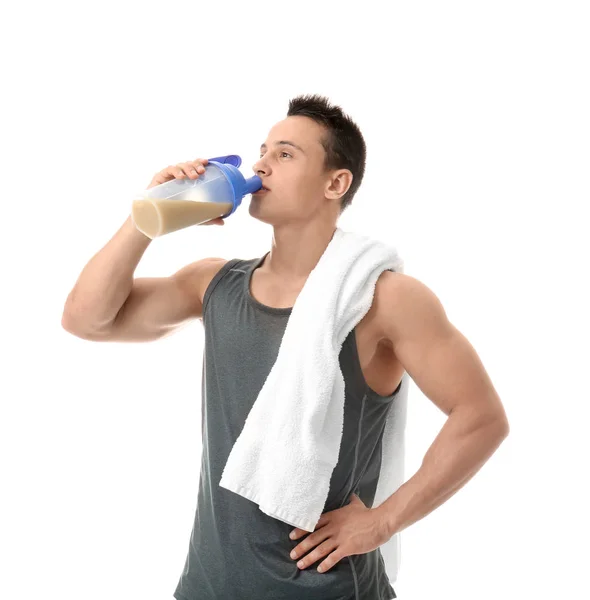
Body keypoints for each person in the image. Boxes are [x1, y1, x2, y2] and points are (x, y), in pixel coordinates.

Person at [62, 94, 509, 600]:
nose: (259, 164)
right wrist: (147, 216)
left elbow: (481, 418)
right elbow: (86, 319)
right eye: (262, 150)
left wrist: (381, 524)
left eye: (285, 154)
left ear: (335, 183)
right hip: (208, 586)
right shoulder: (213, 284)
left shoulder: (385, 299)